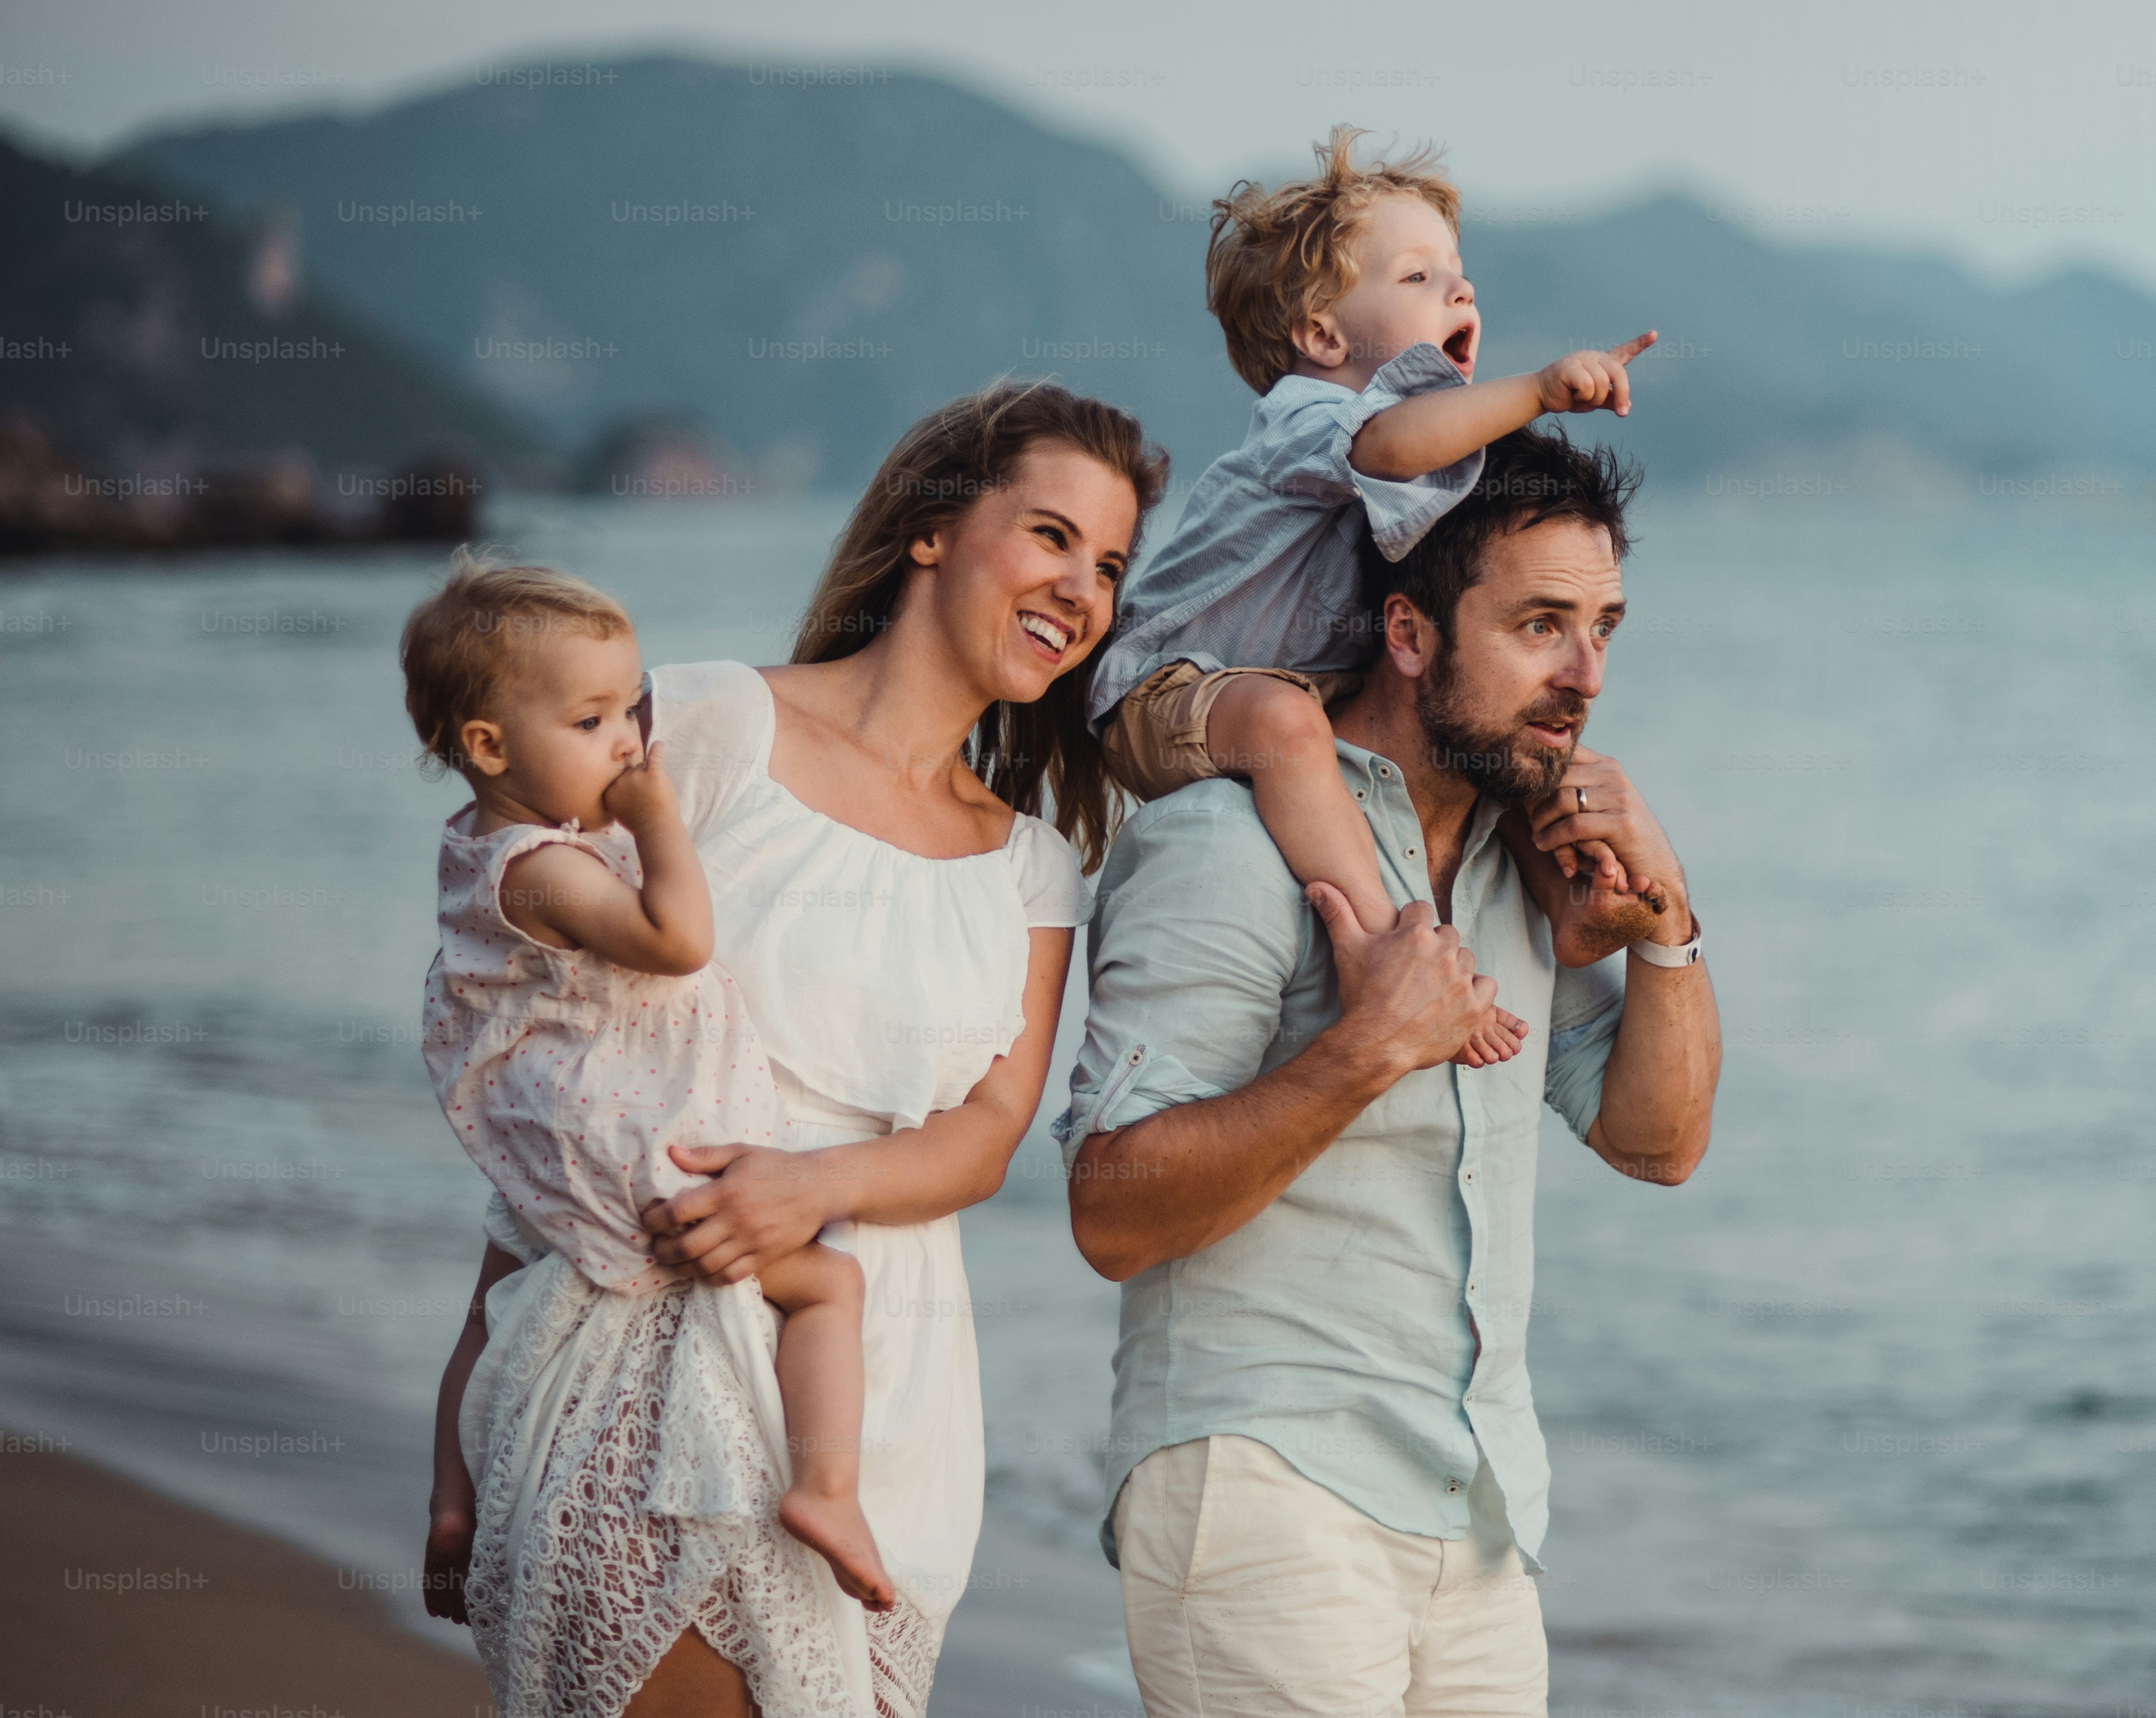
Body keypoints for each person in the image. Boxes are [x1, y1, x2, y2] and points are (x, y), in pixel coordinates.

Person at [422, 380, 1163, 1718]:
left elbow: (987, 1137)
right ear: (933, 528)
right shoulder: (698, 727)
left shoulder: (1036, 869)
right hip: (638, 1359)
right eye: (1051, 535)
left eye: (1108, 564)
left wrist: (813, 1187)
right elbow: (558, 1052)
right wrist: (464, 1395)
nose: (1082, 586)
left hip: (893, 1405)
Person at [1059, 424, 1723, 1716]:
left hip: (1478, 1509)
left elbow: (1657, 1143)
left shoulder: (1516, 857)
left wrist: (1667, 920)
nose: (1585, 674)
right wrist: (1367, 1050)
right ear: (1409, 632)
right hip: (1262, 1482)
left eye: (1605, 629)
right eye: (1541, 625)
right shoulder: (1225, 842)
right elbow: (1111, 1208)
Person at [1087, 126, 1662, 1071]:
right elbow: (1394, 444)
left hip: (1277, 692)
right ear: (1321, 335)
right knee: (1286, 723)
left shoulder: (1410, 451)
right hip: (1163, 689)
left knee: (1495, 735)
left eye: (1461, 274)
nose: (1460, 290)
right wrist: (1539, 389)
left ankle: (1578, 899)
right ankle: (1393, 950)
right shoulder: (1309, 416)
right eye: (1418, 278)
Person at [405, 557, 896, 1612]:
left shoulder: (481, 848)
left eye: (631, 709)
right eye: (590, 722)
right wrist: (660, 818)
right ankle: (828, 1488)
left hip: (558, 1145)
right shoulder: (544, 866)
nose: (629, 741)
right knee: (829, 1285)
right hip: (639, 1150)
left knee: (487, 1312)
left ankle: (453, 1497)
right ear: (489, 747)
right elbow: (677, 940)